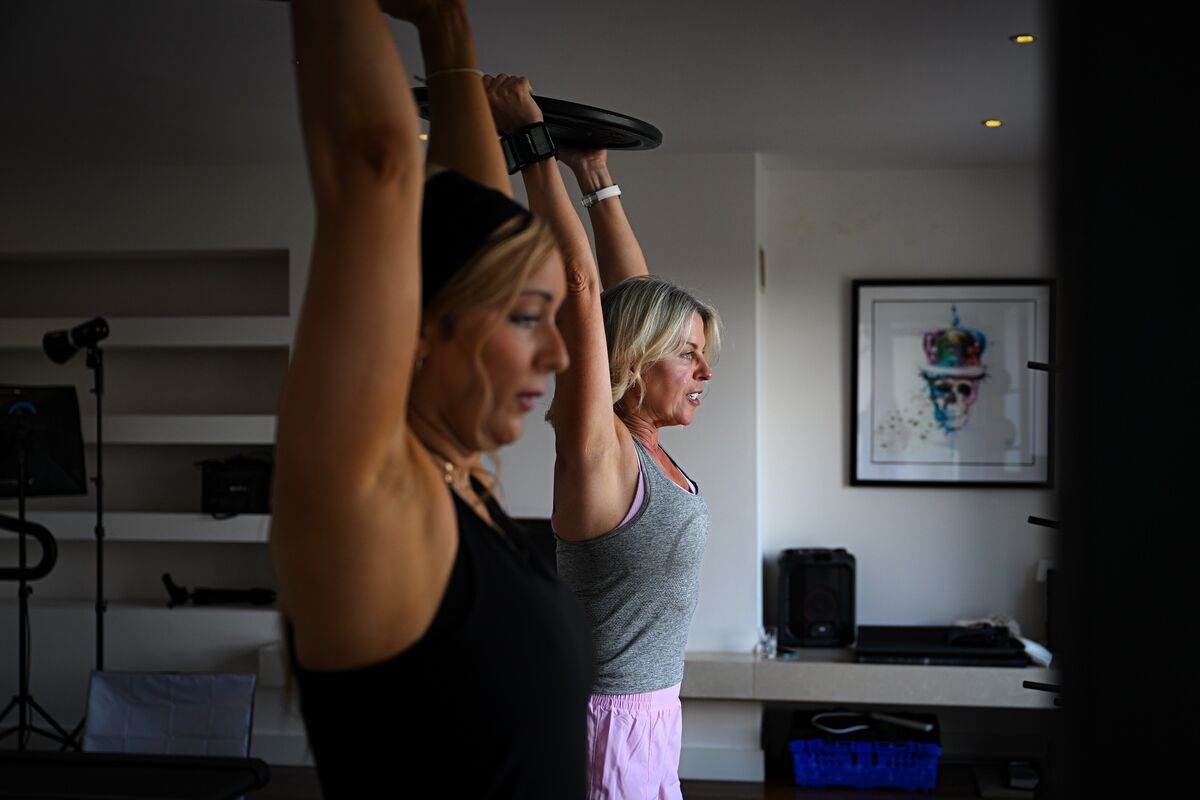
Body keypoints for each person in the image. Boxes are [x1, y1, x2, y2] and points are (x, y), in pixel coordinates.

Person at [269, 4, 592, 798]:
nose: (558, 354)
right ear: (417, 330)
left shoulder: (461, 479)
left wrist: (448, 29)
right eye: (526, 318)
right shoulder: (371, 497)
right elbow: (377, 163)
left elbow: (474, 218)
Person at [484, 74, 722, 800]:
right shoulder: (601, 450)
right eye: (688, 354)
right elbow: (588, 295)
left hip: (650, 714)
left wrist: (596, 179)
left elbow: (630, 302)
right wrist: (533, 146)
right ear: (634, 362)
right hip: (602, 722)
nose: (705, 370)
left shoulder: (645, 444)